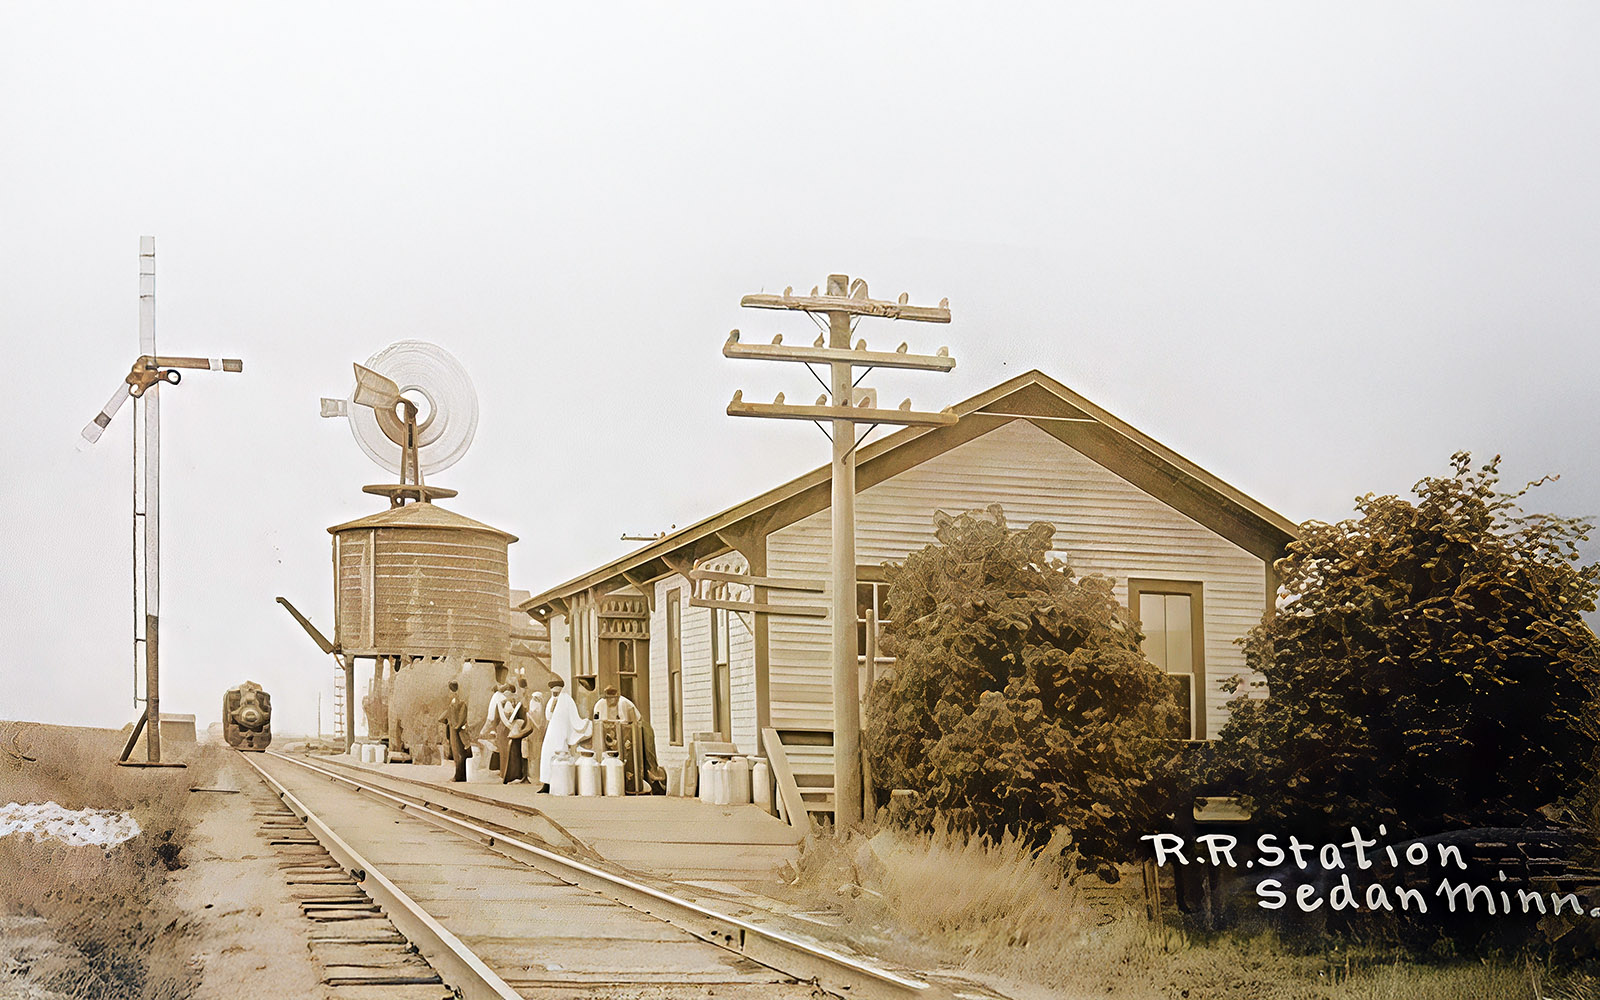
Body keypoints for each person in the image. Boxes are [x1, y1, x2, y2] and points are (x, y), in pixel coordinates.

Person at [593, 685, 662, 793]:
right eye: (609, 698)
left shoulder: (624, 703)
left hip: (636, 727)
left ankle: (644, 781)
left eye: (614, 697)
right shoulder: (600, 705)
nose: (612, 700)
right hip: (612, 731)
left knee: (642, 752)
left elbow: (627, 724)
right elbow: (598, 722)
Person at [539, 678, 592, 793]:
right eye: (553, 692)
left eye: (557, 692)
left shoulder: (567, 699)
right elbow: (548, 716)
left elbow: (573, 716)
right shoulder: (551, 700)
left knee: (560, 755)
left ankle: (558, 784)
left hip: (562, 731)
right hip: (551, 731)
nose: (555, 694)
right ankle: (546, 783)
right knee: (546, 753)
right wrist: (552, 705)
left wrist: (583, 723)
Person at [439, 680, 470, 782]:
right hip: (454, 729)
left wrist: (456, 726)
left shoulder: (458, 701)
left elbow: (461, 715)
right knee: (457, 753)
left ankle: (459, 776)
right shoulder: (455, 700)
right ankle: (460, 775)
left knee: (459, 753)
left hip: (456, 731)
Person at [498, 684, 529, 784]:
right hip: (505, 731)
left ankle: (516, 774)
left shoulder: (518, 704)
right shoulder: (501, 704)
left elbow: (522, 716)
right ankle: (506, 774)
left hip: (515, 730)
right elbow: (501, 718)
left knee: (515, 753)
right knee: (505, 753)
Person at [479, 682, 512, 771]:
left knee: (497, 745)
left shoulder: (497, 697)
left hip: (495, 722)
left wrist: (483, 731)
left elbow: (491, 716)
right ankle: (497, 767)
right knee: (499, 745)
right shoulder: (501, 698)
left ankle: (494, 767)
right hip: (499, 723)